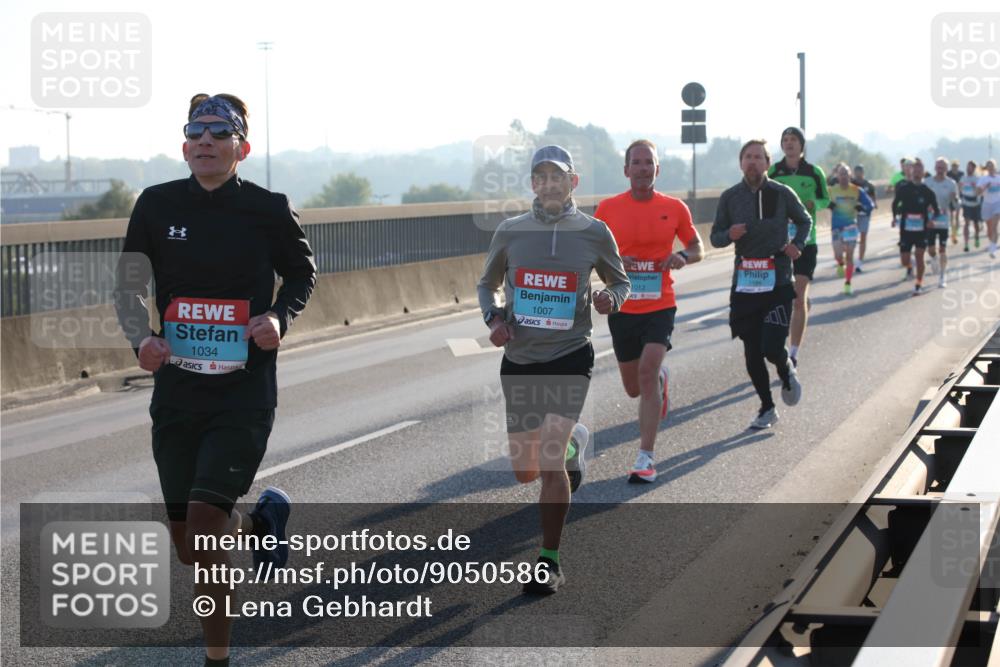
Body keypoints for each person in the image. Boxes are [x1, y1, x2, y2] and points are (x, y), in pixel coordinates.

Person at [115, 93, 317, 667]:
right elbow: (128, 285)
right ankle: (260, 519)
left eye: (219, 133)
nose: (206, 141)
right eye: (196, 131)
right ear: (184, 147)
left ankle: (217, 659)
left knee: (205, 529)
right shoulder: (154, 206)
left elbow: (303, 273)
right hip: (178, 391)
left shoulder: (267, 207)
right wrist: (142, 338)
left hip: (244, 390)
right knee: (188, 547)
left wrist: (279, 317)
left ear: (241, 149)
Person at [478, 145, 630, 594]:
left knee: (547, 464)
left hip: (570, 356)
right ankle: (573, 445)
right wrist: (495, 317)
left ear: (573, 182)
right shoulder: (510, 231)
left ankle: (548, 561)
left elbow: (619, 280)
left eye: (557, 176)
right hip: (521, 360)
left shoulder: (594, 232)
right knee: (524, 472)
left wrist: (611, 299)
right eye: (541, 177)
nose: (549, 184)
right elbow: (487, 284)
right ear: (532, 184)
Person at [595, 139, 703, 483]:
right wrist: (613, 263)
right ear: (626, 170)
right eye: (636, 163)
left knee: (646, 368)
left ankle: (646, 457)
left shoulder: (674, 208)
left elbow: (697, 246)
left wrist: (682, 257)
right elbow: (591, 253)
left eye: (649, 163)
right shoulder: (608, 209)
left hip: (660, 303)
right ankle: (658, 382)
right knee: (633, 387)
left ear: (658, 169)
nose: (643, 168)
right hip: (623, 304)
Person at [711, 139, 809, 430]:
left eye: (758, 157)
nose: (752, 162)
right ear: (741, 163)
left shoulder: (781, 193)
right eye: (747, 157)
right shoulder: (730, 197)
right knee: (751, 350)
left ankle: (785, 367)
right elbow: (715, 237)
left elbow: (804, 220)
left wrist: (797, 244)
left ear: (767, 163)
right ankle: (767, 407)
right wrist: (729, 232)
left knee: (770, 346)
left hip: (777, 281)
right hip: (745, 284)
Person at [767, 127, 828, 368]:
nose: (789, 143)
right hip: (780, 242)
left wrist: (815, 203)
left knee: (798, 297)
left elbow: (826, 198)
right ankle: (794, 319)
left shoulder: (814, 172)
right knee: (782, 297)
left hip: (805, 241)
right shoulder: (774, 171)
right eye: (785, 140)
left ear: (802, 145)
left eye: (793, 140)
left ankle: (792, 353)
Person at [892, 159, 940, 295]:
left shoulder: (928, 192)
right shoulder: (903, 188)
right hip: (906, 229)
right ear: (911, 171)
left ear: (923, 173)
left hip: (922, 230)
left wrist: (932, 220)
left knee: (919, 255)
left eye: (920, 170)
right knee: (904, 260)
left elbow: (936, 210)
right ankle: (909, 266)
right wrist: (894, 217)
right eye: (915, 170)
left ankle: (918, 284)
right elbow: (895, 204)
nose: (917, 172)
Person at [828, 163, 874, 295]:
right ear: (837, 176)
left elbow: (870, 204)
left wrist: (862, 208)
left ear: (850, 176)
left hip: (851, 227)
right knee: (838, 255)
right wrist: (828, 204)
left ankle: (848, 283)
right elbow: (820, 201)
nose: (843, 177)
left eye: (846, 174)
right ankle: (839, 263)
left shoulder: (857, 190)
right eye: (841, 174)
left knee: (849, 256)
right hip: (836, 227)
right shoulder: (831, 190)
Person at [925, 158, 960, 287]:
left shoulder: (951, 183)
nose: (940, 170)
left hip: (944, 219)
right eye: (938, 167)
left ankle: (942, 276)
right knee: (931, 249)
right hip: (930, 219)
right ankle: (934, 259)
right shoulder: (927, 182)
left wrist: (955, 200)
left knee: (943, 249)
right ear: (935, 168)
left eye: (943, 168)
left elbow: (956, 203)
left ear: (946, 169)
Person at [851, 165, 878, 272]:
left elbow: (873, 200)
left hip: (864, 215)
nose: (858, 173)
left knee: (863, 237)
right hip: (852, 214)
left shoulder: (869, 185)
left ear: (863, 172)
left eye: (860, 171)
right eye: (856, 171)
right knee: (851, 238)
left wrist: (870, 205)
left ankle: (859, 261)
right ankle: (849, 259)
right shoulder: (851, 184)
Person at [977, 159, 1000, 259]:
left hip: (997, 204)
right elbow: (977, 193)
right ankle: (992, 244)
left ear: (995, 167)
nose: (991, 167)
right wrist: (985, 186)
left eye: (992, 165)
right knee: (989, 229)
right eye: (989, 166)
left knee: (995, 227)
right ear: (986, 168)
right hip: (987, 204)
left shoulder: (999, 178)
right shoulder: (983, 179)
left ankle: (993, 249)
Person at [959, 160, 983, 252]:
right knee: (966, 223)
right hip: (966, 204)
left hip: (975, 204)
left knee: (976, 224)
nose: (968, 169)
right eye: (967, 167)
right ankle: (966, 243)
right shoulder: (963, 178)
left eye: (970, 167)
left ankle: (976, 237)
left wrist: (975, 188)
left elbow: (980, 192)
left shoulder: (977, 179)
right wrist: (961, 195)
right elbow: (959, 188)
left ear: (974, 168)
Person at [947, 159, 964, 244]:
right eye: (953, 166)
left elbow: (963, 184)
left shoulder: (961, 174)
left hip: (958, 196)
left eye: (956, 166)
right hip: (950, 196)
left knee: (957, 215)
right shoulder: (948, 174)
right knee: (951, 216)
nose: (954, 167)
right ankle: (953, 233)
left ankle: (956, 232)